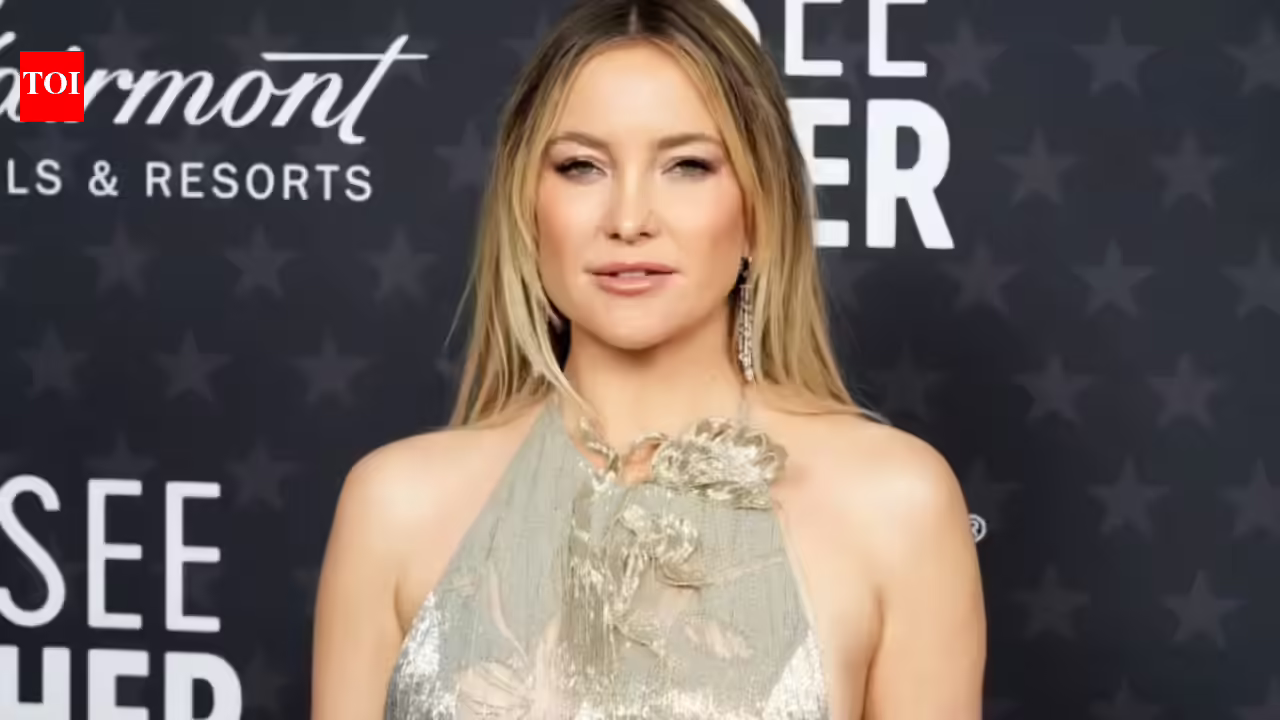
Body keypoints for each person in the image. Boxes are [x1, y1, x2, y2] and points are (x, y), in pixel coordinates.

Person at [310, 0, 986, 717]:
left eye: (687, 165)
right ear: (527, 207)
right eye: (581, 167)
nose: (629, 219)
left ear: (759, 210)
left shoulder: (895, 503)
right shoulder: (395, 505)